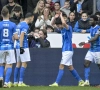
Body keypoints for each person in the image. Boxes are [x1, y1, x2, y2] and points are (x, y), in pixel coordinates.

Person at [49, 12, 84, 86]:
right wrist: (55, 17)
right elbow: (52, 24)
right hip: (65, 50)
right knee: (70, 67)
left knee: (61, 66)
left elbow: (64, 24)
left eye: (59, 25)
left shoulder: (68, 28)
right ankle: (80, 81)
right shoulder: (61, 29)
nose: (58, 27)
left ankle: (56, 83)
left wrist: (61, 16)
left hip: (68, 50)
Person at [13, 13, 34, 87]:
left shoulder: (19, 24)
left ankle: (15, 82)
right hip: (23, 46)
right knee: (24, 63)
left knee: (18, 64)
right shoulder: (25, 25)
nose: (32, 20)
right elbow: (22, 36)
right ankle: (21, 82)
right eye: (32, 18)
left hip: (17, 46)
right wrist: (22, 47)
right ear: (30, 17)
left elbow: (15, 35)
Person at [79, 15, 100, 86]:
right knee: (86, 63)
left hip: (98, 50)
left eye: (91, 20)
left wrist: (85, 42)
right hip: (91, 50)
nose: (90, 21)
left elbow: (95, 38)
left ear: (95, 21)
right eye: (89, 20)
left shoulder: (98, 28)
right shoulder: (91, 28)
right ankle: (87, 81)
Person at [0, 8, 18, 88]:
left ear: (1, 15)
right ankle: (6, 83)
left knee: (1, 64)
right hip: (10, 47)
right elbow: (16, 37)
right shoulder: (13, 25)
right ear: (9, 15)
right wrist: (14, 38)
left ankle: (0, 77)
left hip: (1, 46)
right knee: (9, 65)